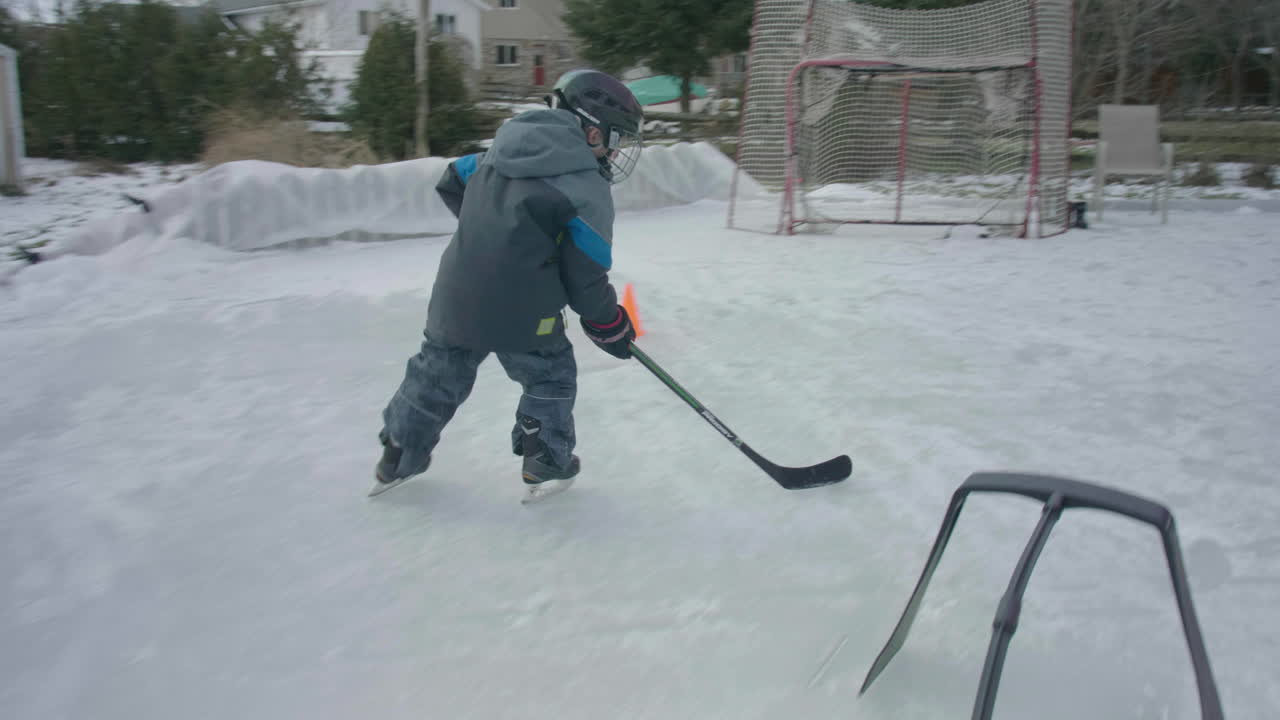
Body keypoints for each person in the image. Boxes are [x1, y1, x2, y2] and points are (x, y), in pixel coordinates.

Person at [370, 69, 645, 504]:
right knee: (549, 376)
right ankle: (545, 460)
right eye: (616, 139)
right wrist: (610, 324)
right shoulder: (586, 187)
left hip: (455, 295)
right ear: (592, 130)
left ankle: (399, 452)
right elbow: (586, 278)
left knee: (439, 371)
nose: (616, 152)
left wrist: (493, 237)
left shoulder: (497, 151)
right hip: (524, 310)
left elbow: (452, 177)